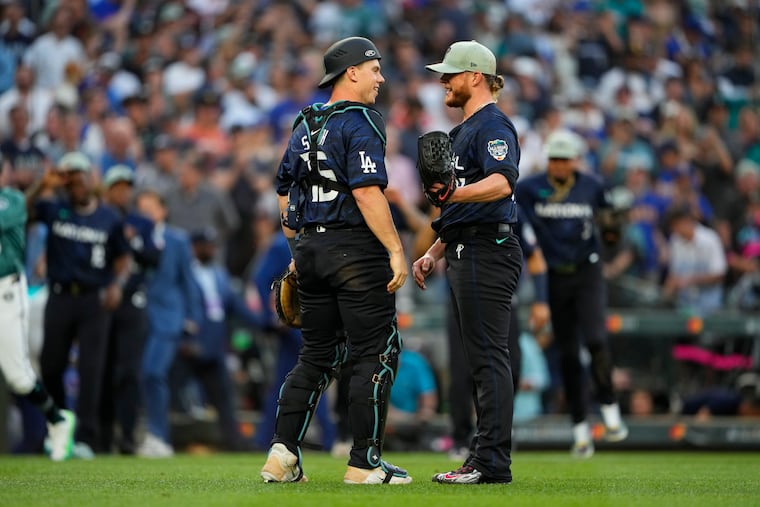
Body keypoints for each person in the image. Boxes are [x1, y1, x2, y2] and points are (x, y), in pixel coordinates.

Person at [261, 36, 411, 485]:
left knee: (317, 355)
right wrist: (396, 249)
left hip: (311, 249)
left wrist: (298, 249)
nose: (380, 78)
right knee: (377, 352)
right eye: (375, 69)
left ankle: (282, 455)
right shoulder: (361, 119)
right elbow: (367, 190)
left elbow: (284, 190)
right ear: (352, 72)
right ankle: (363, 463)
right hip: (355, 251)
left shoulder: (305, 120)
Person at [412, 40, 523, 485]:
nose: (443, 81)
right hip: (465, 248)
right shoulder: (462, 132)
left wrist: (452, 194)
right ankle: (483, 457)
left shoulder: (493, 124)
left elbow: (502, 184)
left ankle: (492, 463)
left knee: (488, 360)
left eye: (451, 73)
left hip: (487, 251)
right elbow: (458, 209)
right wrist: (433, 251)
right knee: (480, 362)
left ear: (475, 76)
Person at [516, 129, 629, 458]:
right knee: (567, 354)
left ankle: (609, 406)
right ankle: (580, 428)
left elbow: (611, 233)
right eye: (554, 158)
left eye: (565, 159)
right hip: (552, 275)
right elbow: (512, 208)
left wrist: (612, 231)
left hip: (587, 271)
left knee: (595, 339)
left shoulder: (592, 186)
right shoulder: (530, 188)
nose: (560, 165)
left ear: (575, 160)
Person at [26, 151, 131, 458]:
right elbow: (22, 211)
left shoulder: (109, 217)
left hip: (93, 298)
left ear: (90, 179)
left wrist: (117, 284)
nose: (75, 186)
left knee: (91, 370)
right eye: (69, 180)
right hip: (59, 294)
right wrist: (42, 184)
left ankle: (86, 437)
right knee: (50, 365)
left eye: (79, 178)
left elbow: (122, 258)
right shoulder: (55, 208)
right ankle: (58, 425)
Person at [0, 158, 76, 461]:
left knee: (18, 376)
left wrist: (39, 185)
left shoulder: (12, 200)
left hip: (5, 289)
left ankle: (58, 421)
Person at [134, 189, 203, 458]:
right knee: (145, 375)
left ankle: (158, 435)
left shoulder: (177, 240)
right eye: (142, 209)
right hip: (141, 318)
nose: (146, 213)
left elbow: (188, 280)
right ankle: (152, 434)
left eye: (151, 208)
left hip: (168, 318)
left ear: (163, 211)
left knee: (153, 372)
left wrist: (193, 317)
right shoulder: (134, 238)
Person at [99, 165, 162, 454]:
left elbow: (153, 256)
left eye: (127, 187)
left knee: (128, 371)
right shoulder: (98, 218)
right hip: (100, 302)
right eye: (117, 187)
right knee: (100, 369)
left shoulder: (141, 222)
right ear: (108, 190)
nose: (123, 192)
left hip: (132, 301)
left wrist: (127, 244)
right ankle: (99, 436)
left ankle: (126, 435)